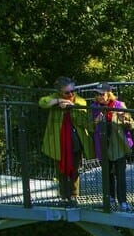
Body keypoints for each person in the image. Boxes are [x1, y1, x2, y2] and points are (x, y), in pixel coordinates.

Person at [39, 76, 94, 205]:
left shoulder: (80, 101)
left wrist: (71, 107)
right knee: (61, 168)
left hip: (75, 139)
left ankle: (74, 196)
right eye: (67, 92)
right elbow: (42, 102)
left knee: (75, 168)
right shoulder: (55, 98)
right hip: (59, 141)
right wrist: (58, 101)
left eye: (72, 91)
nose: (70, 94)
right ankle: (63, 196)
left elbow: (84, 121)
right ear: (59, 92)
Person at [91, 83, 134, 210]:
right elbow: (89, 127)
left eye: (102, 94)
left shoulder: (119, 105)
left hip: (118, 145)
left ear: (109, 94)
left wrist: (123, 119)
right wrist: (96, 121)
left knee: (120, 174)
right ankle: (109, 198)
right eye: (97, 95)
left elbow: (132, 124)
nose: (100, 97)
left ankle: (123, 202)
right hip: (103, 145)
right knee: (107, 174)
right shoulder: (94, 107)